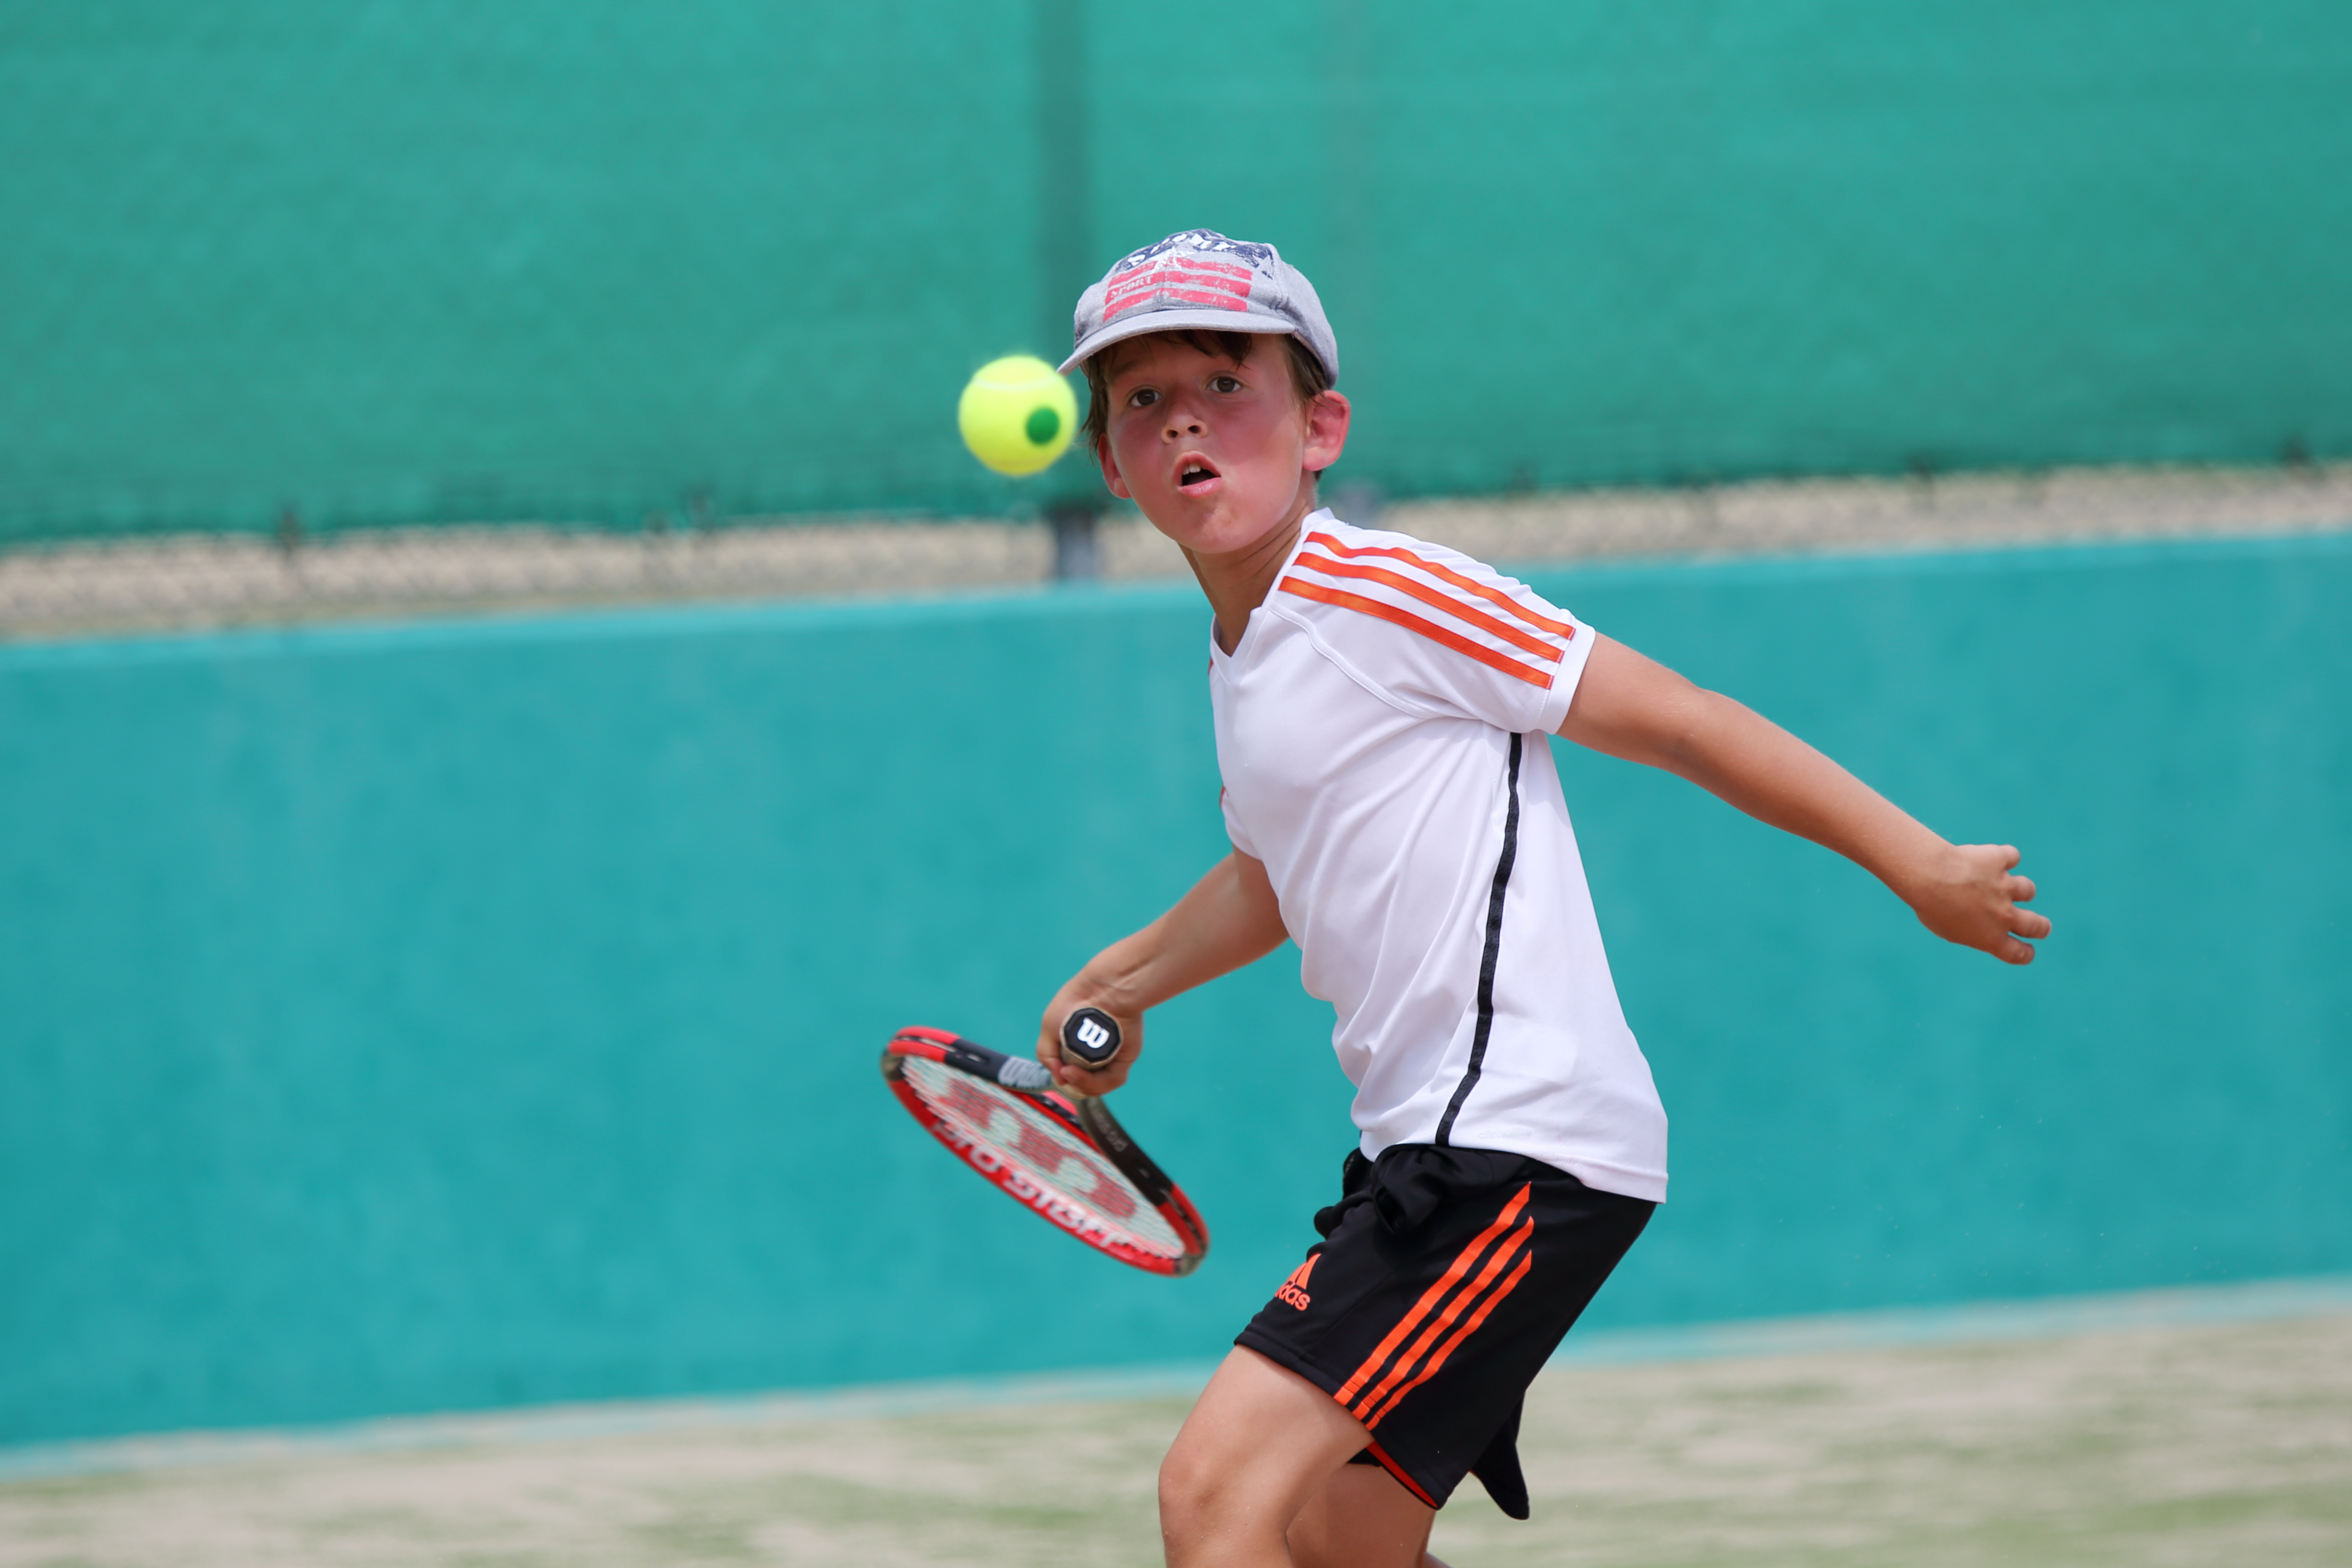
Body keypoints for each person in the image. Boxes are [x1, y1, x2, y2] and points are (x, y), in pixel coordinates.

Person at [1033, 230, 2049, 1568]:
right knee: (1341, 1536)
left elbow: (1680, 718)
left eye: (1226, 385)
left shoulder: (1388, 590)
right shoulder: (1247, 653)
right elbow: (1277, 876)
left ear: (1321, 427)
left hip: (1510, 1143)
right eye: (1142, 400)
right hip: (1443, 1146)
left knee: (1214, 1499)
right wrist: (1122, 980)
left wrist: (1916, 862)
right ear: (1113, 466)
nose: (1183, 421)